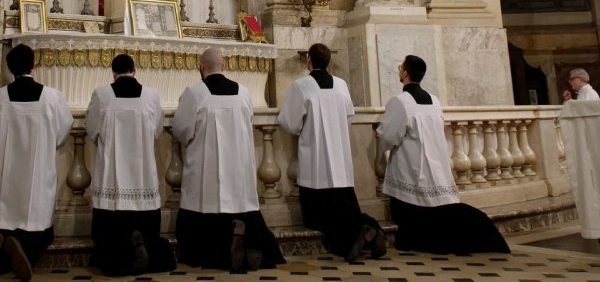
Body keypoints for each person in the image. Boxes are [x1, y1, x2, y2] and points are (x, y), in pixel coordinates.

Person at [378, 55, 509, 255]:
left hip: (411, 168)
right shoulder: (434, 100)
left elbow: (388, 136)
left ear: (405, 73)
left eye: (400, 68)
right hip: (436, 166)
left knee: (414, 212)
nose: (399, 71)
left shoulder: (400, 102)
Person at [173, 47, 284, 272]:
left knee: (205, 204)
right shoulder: (243, 92)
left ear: (201, 67)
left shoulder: (195, 93)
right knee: (242, 202)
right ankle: (249, 240)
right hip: (239, 169)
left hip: (207, 171)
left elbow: (181, 130)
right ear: (223, 66)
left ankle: (219, 250)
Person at [0, 44, 74, 282]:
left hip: (4, 177)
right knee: (39, 231)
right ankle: (21, 249)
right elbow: (63, 130)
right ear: (33, 65)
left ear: (9, 68)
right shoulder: (52, 97)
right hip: (37, 176)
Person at [278, 44, 387, 262]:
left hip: (315, 164)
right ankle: (369, 229)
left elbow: (289, 123)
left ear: (309, 60)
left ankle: (360, 235)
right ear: (328, 61)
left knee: (321, 220)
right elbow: (349, 116)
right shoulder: (341, 85)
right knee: (346, 211)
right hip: (339, 162)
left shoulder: (301, 86)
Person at [85, 54, 176, 275]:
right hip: (142, 174)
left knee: (109, 239)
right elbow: (156, 130)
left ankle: (117, 254)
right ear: (134, 71)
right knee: (150, 231)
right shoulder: (151, 96)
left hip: (112, 180)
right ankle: (143, 241)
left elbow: (91, 129)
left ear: (113, 73)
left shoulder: (102, 95)